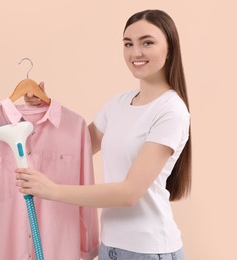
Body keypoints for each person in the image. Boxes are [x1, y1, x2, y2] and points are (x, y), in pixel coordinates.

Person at [16, 9, 191, 260]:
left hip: (150, 251)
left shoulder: (171, 111)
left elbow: (129, 193)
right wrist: (46, 107)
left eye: (147, 42)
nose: (135, 53)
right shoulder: (119, 103)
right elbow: (76, 148)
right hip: (109, 248)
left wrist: (52, 190)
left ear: (170, 49)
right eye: (128, 44)